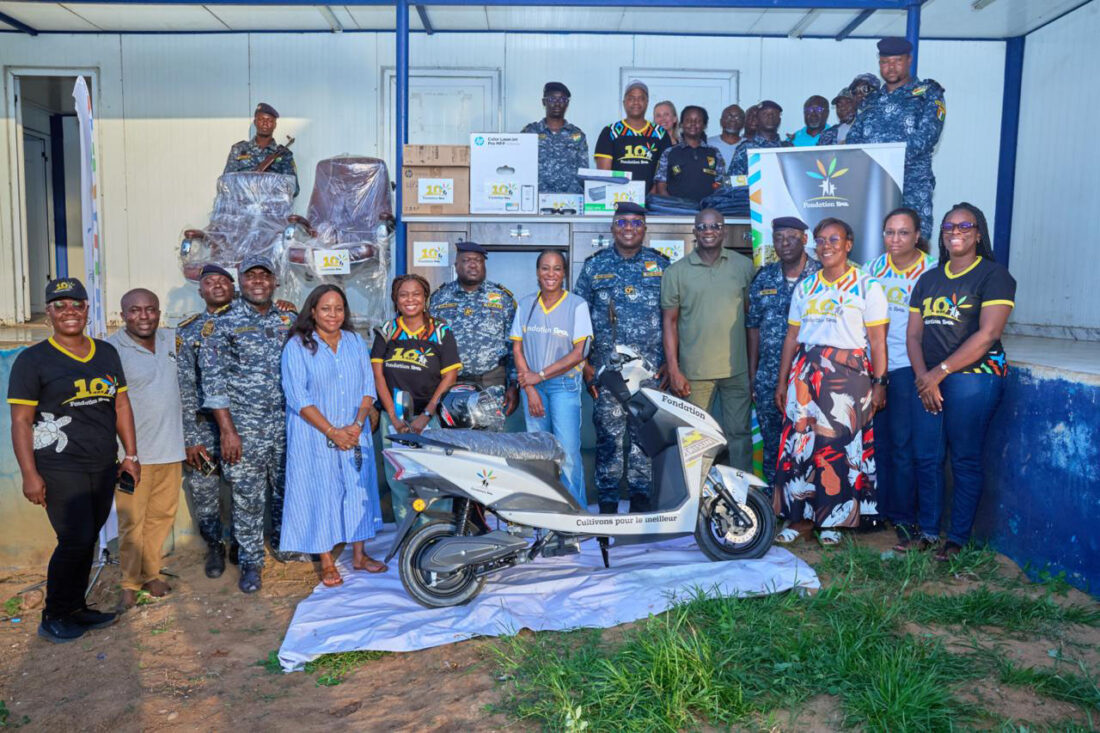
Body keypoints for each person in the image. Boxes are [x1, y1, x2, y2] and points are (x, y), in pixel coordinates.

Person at [7, 278, 138, 642]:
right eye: (59, 305)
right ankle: (54, 615)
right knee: (74, 539)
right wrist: (29, 475)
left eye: (75, 305)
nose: (69, 312)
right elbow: (20, 421)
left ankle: (76, 607)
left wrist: (130, 454)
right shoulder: (32, 360)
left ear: (86, 309)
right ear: (48, 313)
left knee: (89, 538)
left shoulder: (106, 352)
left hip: (103, 463)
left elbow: (121, 404)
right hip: (60, 467)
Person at [906, 203, 1015, 561]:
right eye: (949, 226)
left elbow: (988, 335)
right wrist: (925, 377)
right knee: (926, 456)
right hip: (931, 379)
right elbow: (913, 336)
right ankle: (927, 532)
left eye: (965, 225)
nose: (956, 231)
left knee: (965, 459)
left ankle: (956, 540)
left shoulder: (994, 275)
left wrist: (939, 373)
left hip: (975, 378)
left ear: (978, 233)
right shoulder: (929, 279)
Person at [773, 218, 888, 546]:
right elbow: (792, 337)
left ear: (848, 244)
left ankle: (833, 524)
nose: (826, 246)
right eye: (821, 240)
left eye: (834, 239)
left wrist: (880, 383)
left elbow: (878, 342)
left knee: (835, 449)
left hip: (847, 378)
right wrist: (782, 382)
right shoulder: (806, 287)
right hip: (805, 376)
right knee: (800, 448)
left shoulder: (867, 286)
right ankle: (800, 520)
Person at [201, 254, 300, 594]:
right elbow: (213, 384)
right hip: (243, 430)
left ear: (275, 282)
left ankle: (285, 545)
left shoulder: (290, 318)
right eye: (250, 276)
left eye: (265, 276)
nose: (258, 281)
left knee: (287, 489)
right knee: (247, 497)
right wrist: (227, 431)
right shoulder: (221, 324)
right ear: (239, 282)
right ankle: (251, 563)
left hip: (287, 425)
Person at [281, 285, 385, 587]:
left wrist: (357, 424)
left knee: (357, 490)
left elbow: (368, 387)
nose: (333, 315)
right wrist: (332, 431)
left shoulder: (354, 341)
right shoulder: (298, 345)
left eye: (339, 308)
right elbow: (297, 397)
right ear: (312, 311)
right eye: (326, 308)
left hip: (355, 431)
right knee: (321, 492)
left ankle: (359, 555)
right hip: (314, 434)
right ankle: (326, 561)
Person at [575, 202, 669, 514]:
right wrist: (586, 367)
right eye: (622, 222)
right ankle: (608, 510)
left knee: (644, 444)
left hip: (649, 375)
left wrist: (670, 363)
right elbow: (578, 321)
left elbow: (674, 319)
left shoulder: (662, 266)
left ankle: (641, 510)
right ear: (613, 227)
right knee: (609, 444)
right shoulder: (594, 267)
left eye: (636, 223)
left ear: (645, 229)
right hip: (608, 376)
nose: (629, 228)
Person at [862, 208, 935, 550]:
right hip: (876, 367)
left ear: (917, 235)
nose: (895, 240)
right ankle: (883, 511)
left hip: (909, 367)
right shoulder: (874, 269)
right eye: (889, 232)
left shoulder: (932, 270)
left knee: (905, 447)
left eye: (903, 233)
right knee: (880, 446)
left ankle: (906, 519)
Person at [107, 289, 185, 609]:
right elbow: (109, 404)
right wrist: (125, 454)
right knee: (131, 523)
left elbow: (212, 328)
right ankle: (128, 582)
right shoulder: (111, 349)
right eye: (136, 310)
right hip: (133, 456)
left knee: (161, 517)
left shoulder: (172, 341)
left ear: (159, 312)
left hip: (171, 448)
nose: (144, 316)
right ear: (123, 314)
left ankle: (151, 573)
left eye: (150, 309)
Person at [661, 208, 755, 469]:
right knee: (696, 438)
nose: (708, 231)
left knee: (739, 437)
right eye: (702, 227)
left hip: (736, 371)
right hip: (693, 374)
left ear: (723, 230)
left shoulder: (744, 266)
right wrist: (674, 369)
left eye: (715, 226)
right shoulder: (676, 272)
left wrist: (752, 368)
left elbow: (752, 323)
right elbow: (669, 323)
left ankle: (743, 501)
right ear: (695, 232)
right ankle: (697, 502)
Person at [371, 274, 461, 523]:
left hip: (430, 420)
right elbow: (378, 376)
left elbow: (450, 376)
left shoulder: (440, 331)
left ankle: (436, 537)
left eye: (416, 294)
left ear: (425, 298)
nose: (410, 299)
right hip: (394, 419)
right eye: (403, 294)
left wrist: (426, 415)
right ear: (395, 300)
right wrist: (394, 417)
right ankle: (408, 536)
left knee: (436, 478)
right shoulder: (387, 331)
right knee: (400, 479)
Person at [511, 250, 593, 506]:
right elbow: (517, 349)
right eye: (545, 268)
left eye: (557, 269)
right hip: (533, 389)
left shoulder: (576, 305)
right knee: (539, 454)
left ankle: (575, 517)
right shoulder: (525, 304)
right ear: (537, 272)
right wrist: (531, 388)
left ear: (564, 274)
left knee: (567, 453)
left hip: (564, 387)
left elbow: (580, 353)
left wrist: (541, 375)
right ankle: (545, 518)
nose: (551, 274)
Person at [746, 217, 821, 486]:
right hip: (768, 377)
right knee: (772, 443)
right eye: (778, 238)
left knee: (809, 442)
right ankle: (772, 505)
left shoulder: (821, 277)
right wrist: (753, 374)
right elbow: (753, 327)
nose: (784, 243)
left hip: (811, 376)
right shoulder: (763, 277)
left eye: (791, 237)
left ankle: (804, 504)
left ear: (804, 239)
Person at [847, 38, 946, 240]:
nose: (890, 68)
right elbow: (853, 142)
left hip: (911, 187)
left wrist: (884, 161)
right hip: (872, 186)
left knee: (914, 245)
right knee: (871, 242)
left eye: (897, 61)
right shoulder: (870, 101)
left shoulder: (928, 93)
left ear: (909, 60)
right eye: (885, 62)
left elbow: (927, 137)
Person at [176, 264, 236, 578]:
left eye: (223, 280)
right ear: (199, 290)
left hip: (241, 424)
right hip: (203, 425)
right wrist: (190, 436)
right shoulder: (188, 330)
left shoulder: (249, 321)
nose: (216, 285)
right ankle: (215, 546)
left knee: (243, 483)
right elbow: (185, 385)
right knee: (203, 486)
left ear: (233, 286)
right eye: (208, 281)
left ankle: (242, 541)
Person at [429, 241, 518, 423]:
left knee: (490, 442)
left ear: (484, 265)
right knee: (453, 443)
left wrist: (514, 385)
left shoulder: (502, 298)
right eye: (466, 260)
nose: (472, 264)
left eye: (477, 260)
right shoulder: (439, 298)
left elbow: (514, 346)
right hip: (450, 386)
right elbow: (430, 345)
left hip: (491, 385)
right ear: (456, 265)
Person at [594, 80, 672, 193]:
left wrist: (649, 197)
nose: (636, 102)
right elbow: (605, 174)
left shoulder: (660, 134)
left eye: (641, 98)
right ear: (624, 102)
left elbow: (663, 174)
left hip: (650, 201)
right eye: (631, 98)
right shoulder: (610, 132)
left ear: (647, 102)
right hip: (617, 200)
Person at [521, 82, 588, 195]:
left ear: (567, 103)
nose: (557, 104)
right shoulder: (530, 132)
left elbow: (583, 172)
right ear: (544, 102)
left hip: (570, 203)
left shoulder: (577, 135)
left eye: (562, 100)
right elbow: (521, 166)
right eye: (552, 99)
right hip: (537, 199)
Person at [653, 106, 726, 203]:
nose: (693, 124)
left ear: (704, 125)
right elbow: (661, 185)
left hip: (708, 211)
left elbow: (720, 183)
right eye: (688, 120)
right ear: (681, 124)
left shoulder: (714, 152)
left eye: (698, 121)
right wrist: (672, 206)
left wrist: (713, 202)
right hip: (678, 212)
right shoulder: (669, 152)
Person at [223, 102, 299, 196]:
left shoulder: (284, 154)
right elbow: (226, 184)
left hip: (273, 208)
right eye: (261, 119)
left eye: (269, 120)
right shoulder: (238, 149)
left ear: (275, 125)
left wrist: (267, 184)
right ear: (255, 122)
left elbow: (294, 189)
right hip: (244, 208)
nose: (265, 123)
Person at [729, 100, 789, 176]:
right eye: (765, 114)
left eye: (774, 114)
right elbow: (733, 183)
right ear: (757, 119)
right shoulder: (745, 149)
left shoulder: (788, 148)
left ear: (779, 120)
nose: (770, 117)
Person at [709, 104, 745, 171]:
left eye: (737, 117)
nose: (733, 120)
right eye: (729, 116)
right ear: (721, 121)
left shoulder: (749, 146)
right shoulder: (708, 144)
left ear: (743, 123)